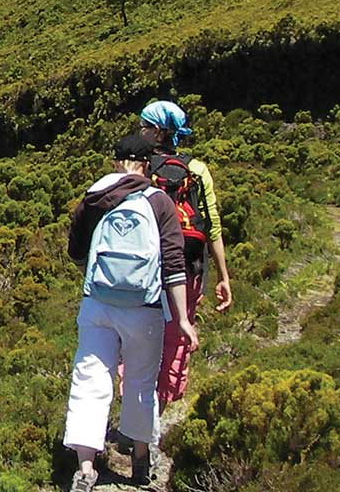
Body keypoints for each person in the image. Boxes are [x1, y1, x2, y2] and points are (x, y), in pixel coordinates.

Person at [64, 133, 197, 491]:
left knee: (90, 379)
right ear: (146, 164)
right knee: (140, 382)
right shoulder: (159, 202)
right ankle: (140, 461)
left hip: (98, 303)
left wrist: (97, 278)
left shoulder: (94, 198)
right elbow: (173, 262)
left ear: (115, 162)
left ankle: (86, 467)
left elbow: (75, 250)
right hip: (145, 307)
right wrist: (183, 318)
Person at [138, 100, 233, 404]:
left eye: (143, 126)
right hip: (189, 270)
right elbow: (212, 226)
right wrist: (223, 276)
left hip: (146, 270)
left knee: (138, 341)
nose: (139, 131)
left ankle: (135, 413)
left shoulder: (139, 169)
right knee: (177, 340)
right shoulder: (197, 170)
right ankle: (162, 404)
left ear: (156, 132)